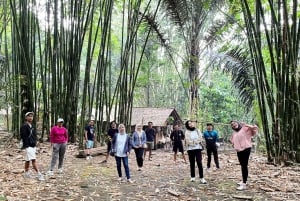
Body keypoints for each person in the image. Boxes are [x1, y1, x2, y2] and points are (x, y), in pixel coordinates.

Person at [230, 120, 258, 191]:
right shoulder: (234, 133)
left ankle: (244, 184)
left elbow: (254, 129)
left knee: (244, 165)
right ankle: (244, 180)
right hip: (239, 150)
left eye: (234, 123)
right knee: (242, 165)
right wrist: (234, 145)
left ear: (238, 123)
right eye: (232, 125)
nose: (233, 125)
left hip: (246, 149)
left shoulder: (245, 128)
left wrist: (246, 125)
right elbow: (232, 141)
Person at [20, 112, 44, 181]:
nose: (30, 117)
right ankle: (39, 174)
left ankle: (26, 173)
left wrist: (35, 143)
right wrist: (27, 145)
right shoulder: (24, 126)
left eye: (31, 116)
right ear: (26, 118)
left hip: (33, 145)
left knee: (28, 160)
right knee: (33, 160)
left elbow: (34, 136)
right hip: (28, 146)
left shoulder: (32, 126)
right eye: (29, 116)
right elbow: (23, 136)